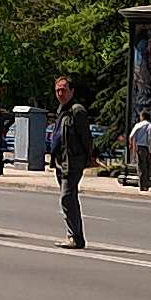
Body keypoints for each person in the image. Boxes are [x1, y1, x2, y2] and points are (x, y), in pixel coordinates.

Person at [51, 76, 92, 248]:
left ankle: (74, 237)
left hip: (73, 162)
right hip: (61, 162)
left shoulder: (77, 111)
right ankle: (76, 237)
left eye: (64, 90)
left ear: (72, 91)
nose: (60, 93)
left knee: (67, 198)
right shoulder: (62, 110)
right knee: (70, 199)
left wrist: (88, 158)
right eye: (58, 90)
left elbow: (86, 138)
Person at [129, 110, 151, 192]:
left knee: (141, 167)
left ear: (142, 117)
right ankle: (147, 184)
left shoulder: (139, 125)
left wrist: (131, 146)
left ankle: (142, 186)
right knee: (149, 167)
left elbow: (131, 136)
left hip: (141, 148)